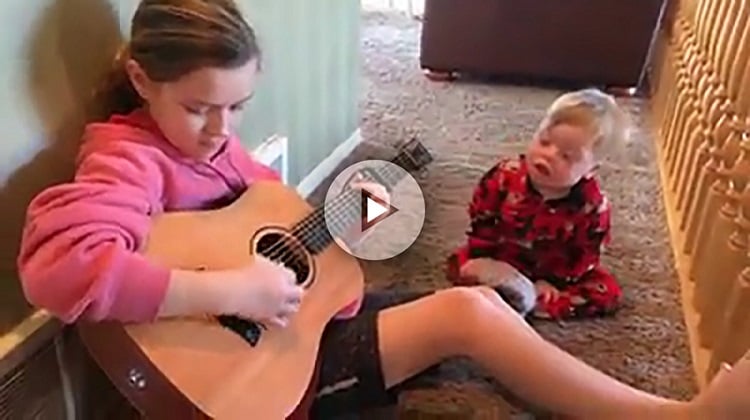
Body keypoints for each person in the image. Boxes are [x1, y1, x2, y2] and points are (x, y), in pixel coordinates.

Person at [15, 1, 750, 419]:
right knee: (467, 318)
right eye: (198, 107)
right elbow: (59, 268)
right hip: (255, 380)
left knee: (477, 303)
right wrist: (231, 290)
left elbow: (273, 225)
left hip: (290, 329)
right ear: (141, 79)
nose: (220, 130)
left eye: (237, 107)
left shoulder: (211, 148)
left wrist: (350, 217)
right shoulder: (125, 157)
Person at [446, 88, 625, 321]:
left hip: (554, 271)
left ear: (590, 170)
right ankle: (510, 291)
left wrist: (554, 283)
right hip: (503, 258)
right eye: (544, 142)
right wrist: (485, 256)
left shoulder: (592, 206)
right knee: (460, 264)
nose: (549, 155)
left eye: (566, 156)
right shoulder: (504, 175)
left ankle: (529, 300)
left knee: (607, 293)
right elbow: (482, 216)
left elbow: (585, 254)